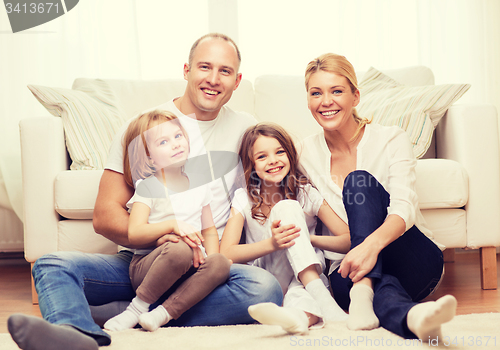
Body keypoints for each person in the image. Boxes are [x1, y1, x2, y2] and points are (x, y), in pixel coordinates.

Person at [8, 33, 283, 350]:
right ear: (186, 70)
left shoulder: (246, 127)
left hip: (206, 268)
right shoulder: (144, 128)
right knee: (51, 265)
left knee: (264, 289)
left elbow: (268, 182)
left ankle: (131, 313)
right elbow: (106, 214)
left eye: (224, 71)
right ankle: (77, 334)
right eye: (204, 67)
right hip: (147, 259)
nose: (213, 79)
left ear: (237, 81)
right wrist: (161, 236)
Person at [296, 52, 457, 341]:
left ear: (355, 96)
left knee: (358, 183)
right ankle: (414, 318)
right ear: (308, 101)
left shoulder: (391, 138)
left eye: (337, 91)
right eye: (316, 93)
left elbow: (404, 208)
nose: (326, 101)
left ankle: (364, 288)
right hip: (347, 271)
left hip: (412, 259)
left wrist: (370, 246)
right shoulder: (303, 154)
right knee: (379, 291)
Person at [103, 110, 231, 332]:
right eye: (163, 141)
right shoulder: (148, 186)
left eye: (178, 136)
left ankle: (162, 314)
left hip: (190, 265)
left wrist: (210, 257)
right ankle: (136, 309)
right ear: (148, 156)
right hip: (150, 268)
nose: (175, 144)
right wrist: (172, 225)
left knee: (220, 263)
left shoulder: (200, 184)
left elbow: (209, 229)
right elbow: (135, 233)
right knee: (179, 248)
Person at [220, 123, 351, 335]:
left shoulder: (306, 192)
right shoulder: (243, 198)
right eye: (262, 156)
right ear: (251, 164)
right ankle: (323, 299)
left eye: (279, 152)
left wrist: (307, 239)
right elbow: (226, 252)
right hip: (268, 277)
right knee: (287, 207)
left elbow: (347, 239)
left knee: (303, 300)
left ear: (289, 154)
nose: (273, 160)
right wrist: (272, 243)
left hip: (303, 282)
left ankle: (297, 318)